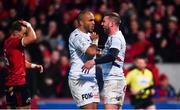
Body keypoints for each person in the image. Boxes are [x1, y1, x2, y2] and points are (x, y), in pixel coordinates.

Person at [82, 12, 127, 109]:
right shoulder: (111, 38)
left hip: (114, 81)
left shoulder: (116, 38)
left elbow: (112, 56)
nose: (102, 24)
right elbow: (108, 54)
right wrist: (95, 44)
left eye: (104, 21)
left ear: (111, 24)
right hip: (112, 81)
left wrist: (94, 62)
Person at [3, 20, 43, 109]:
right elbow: (33, 37)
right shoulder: (13, 42)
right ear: (16, 33)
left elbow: (20, 62)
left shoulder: (8, 43)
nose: (24, 36)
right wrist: (29, 25)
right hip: (18, 84)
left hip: (10, 84)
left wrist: (33, 66)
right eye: (23, 33)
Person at [68, 10, 100, 109]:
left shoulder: (88, 35)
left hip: (91, 78)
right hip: (80, 78)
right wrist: (95, 40)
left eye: (94, 20)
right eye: (90, 20)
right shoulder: (76, 36)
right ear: (81, 22)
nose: (93, 22)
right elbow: (91, 51)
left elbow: (95, 52)